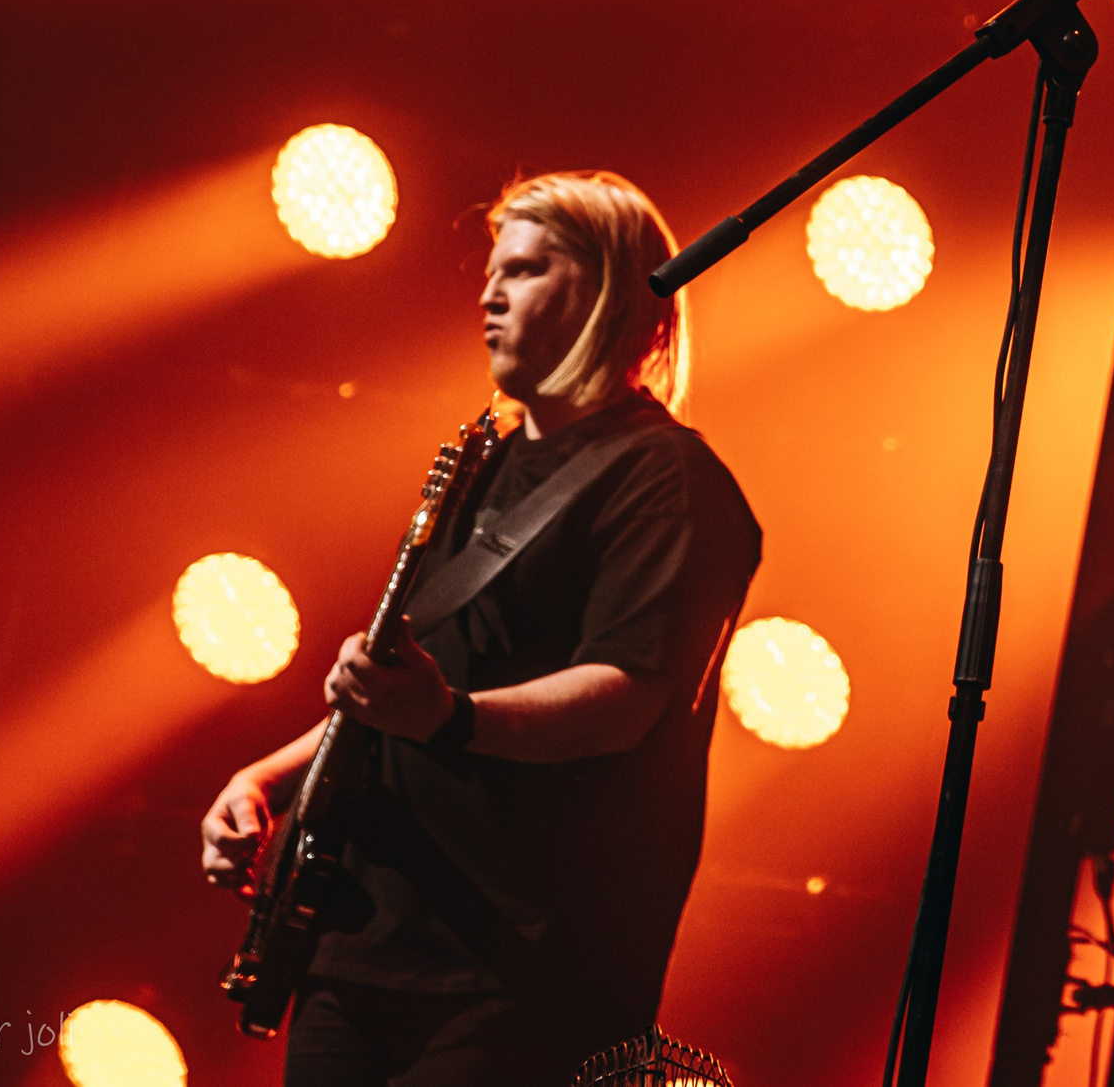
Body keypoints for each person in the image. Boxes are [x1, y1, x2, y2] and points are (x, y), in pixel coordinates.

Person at [202, 170, 761, 1086]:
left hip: (522, 969)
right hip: (360, 939)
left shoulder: (668, 481)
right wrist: (267, 776)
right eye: (492, 272)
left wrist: (453, 718)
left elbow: (624, 695)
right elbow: (404, 687)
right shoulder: (478, 461)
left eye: (528, 269)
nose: (490, 294)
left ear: (608, 294)